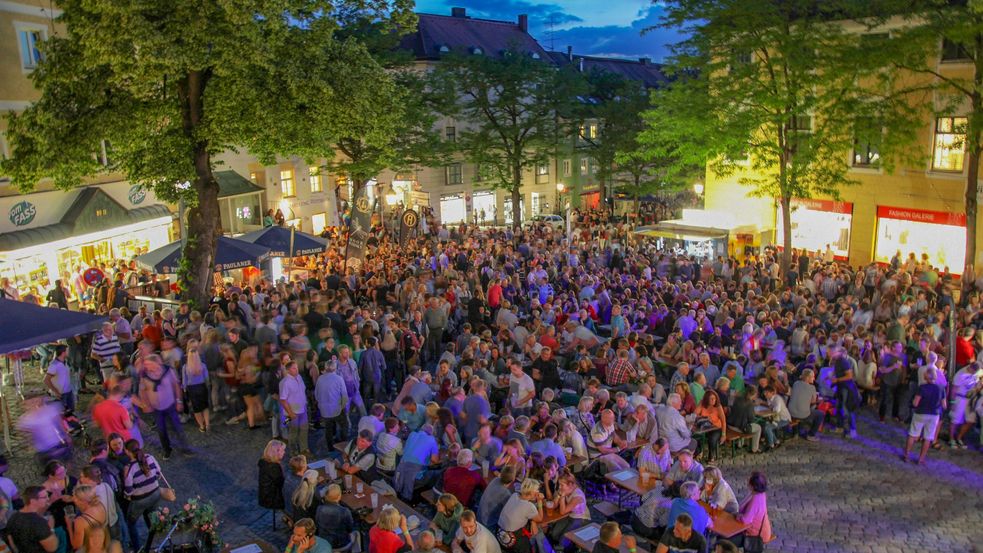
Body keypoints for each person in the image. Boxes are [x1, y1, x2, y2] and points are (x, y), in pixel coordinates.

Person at [138, 354, 189, 460]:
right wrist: (145, 404)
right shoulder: (144, 375)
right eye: (146, 365)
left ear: (157, 363)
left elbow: (176, 385)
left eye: (149, 364)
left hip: (170, 404)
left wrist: (179, 401)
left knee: (177, 427)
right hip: (157, 409)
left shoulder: (168, 371)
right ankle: (167, 450)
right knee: (161, 430)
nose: (147, 367)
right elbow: (142, 390)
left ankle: (185, 448)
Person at [121, 440, 162, 552]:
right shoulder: (150, 458)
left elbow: (128, 491)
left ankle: (137, 548)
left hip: (140, 501)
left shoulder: (130, 468)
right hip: (155, 494)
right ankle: (154, 540)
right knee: (151, 517)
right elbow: (158, 473)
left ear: (127, 451)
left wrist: (125, 477)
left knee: (131, 523)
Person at [903, 368, 946, 465]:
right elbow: (944, 405)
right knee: (928, 437)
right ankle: (921, 459)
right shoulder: (941, 388)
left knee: (913, 434)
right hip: (934, 415)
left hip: (921, 413)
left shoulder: (922, 387)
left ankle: (906, 455)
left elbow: (915, 403)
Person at [66, 484, 122, 553]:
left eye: (75, 499)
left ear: (83, 501)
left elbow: (77, 545)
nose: (74, 501)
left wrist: (69, 526)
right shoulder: (100, 505)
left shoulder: (80, 521)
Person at [496, 479, 544, 553]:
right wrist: (540, 501)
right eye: (537, 490)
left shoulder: (515, 495)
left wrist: (532, 521)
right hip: (512, 542)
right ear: (532, 492)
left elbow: (521, 510)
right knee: (537, 531)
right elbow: (540, 518)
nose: (538, 492)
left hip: (499, 535)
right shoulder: (529, 506)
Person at [6, 486, 58, 553]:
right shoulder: (39, 523)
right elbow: (52, 548)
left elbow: (11, 540)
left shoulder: (13, 517)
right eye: (45, 497)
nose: (48, 499)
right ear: (33, 501)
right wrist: (51, 528)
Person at [547, 472, 590, 550]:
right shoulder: (566, 489)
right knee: (554, 534)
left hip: (580, 518)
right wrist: (558, 496)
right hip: (569, 515)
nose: (559, 487)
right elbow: (554, 506)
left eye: (562, 485)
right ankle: (569, 541)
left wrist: (562, 496)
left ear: (570, 485)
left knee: (562, 542)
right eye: (559, 484)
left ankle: (575, 546)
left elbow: (562, 512)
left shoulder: (577, 497)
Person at [280, 361, 310, 456]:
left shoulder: (299, 377)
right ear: (288, 370)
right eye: (294, 368)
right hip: (293, 412)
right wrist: (291, 413)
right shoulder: (285, 383)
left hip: (303, 410)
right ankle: (294, 452)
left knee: (304, 429)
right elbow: (283, 400)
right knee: (293, 433)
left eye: (296, 367)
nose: (296, 369)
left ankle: (304, 449)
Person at [736, 472, 773, 549]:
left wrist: (738, 516)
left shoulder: (756, 500)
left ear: (753, 486)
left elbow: (746, 520)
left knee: (727, 539)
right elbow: (741, 508)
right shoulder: (760, 494)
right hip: (761, 531)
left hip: (756, 536)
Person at [788, 369, 824, 441]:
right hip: (802, 414)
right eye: (812, 377)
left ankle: (796, 433)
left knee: (799, 406)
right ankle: (811, 435)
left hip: (790, 412)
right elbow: (813, 402)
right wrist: (818, 401)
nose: (814, 378)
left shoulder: (796, 383)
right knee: (820, 414)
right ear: (807, 378)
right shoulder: (812, 387)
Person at [315, 485, 354, 549]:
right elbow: (350, 528)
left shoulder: (319, 508)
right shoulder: (345, 511)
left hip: (324, 542)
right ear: (339, 496)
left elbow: (317, 524)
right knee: (357, 529)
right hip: (341, 544)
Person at [478, 465, 516, 531]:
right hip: (487, 522)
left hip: (479, 514)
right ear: (513, 479)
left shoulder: (496, 479)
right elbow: (507, 512)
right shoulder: (506, 493)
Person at [43, 345, 74, 412]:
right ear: (63, 353)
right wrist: (56, 392)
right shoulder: (54, 365)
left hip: (68, 392)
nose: (69, 352)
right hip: (60, 394)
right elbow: (46, 380)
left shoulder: (65, 362)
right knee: (61, 415)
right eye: (67, 351)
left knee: (70, 413)